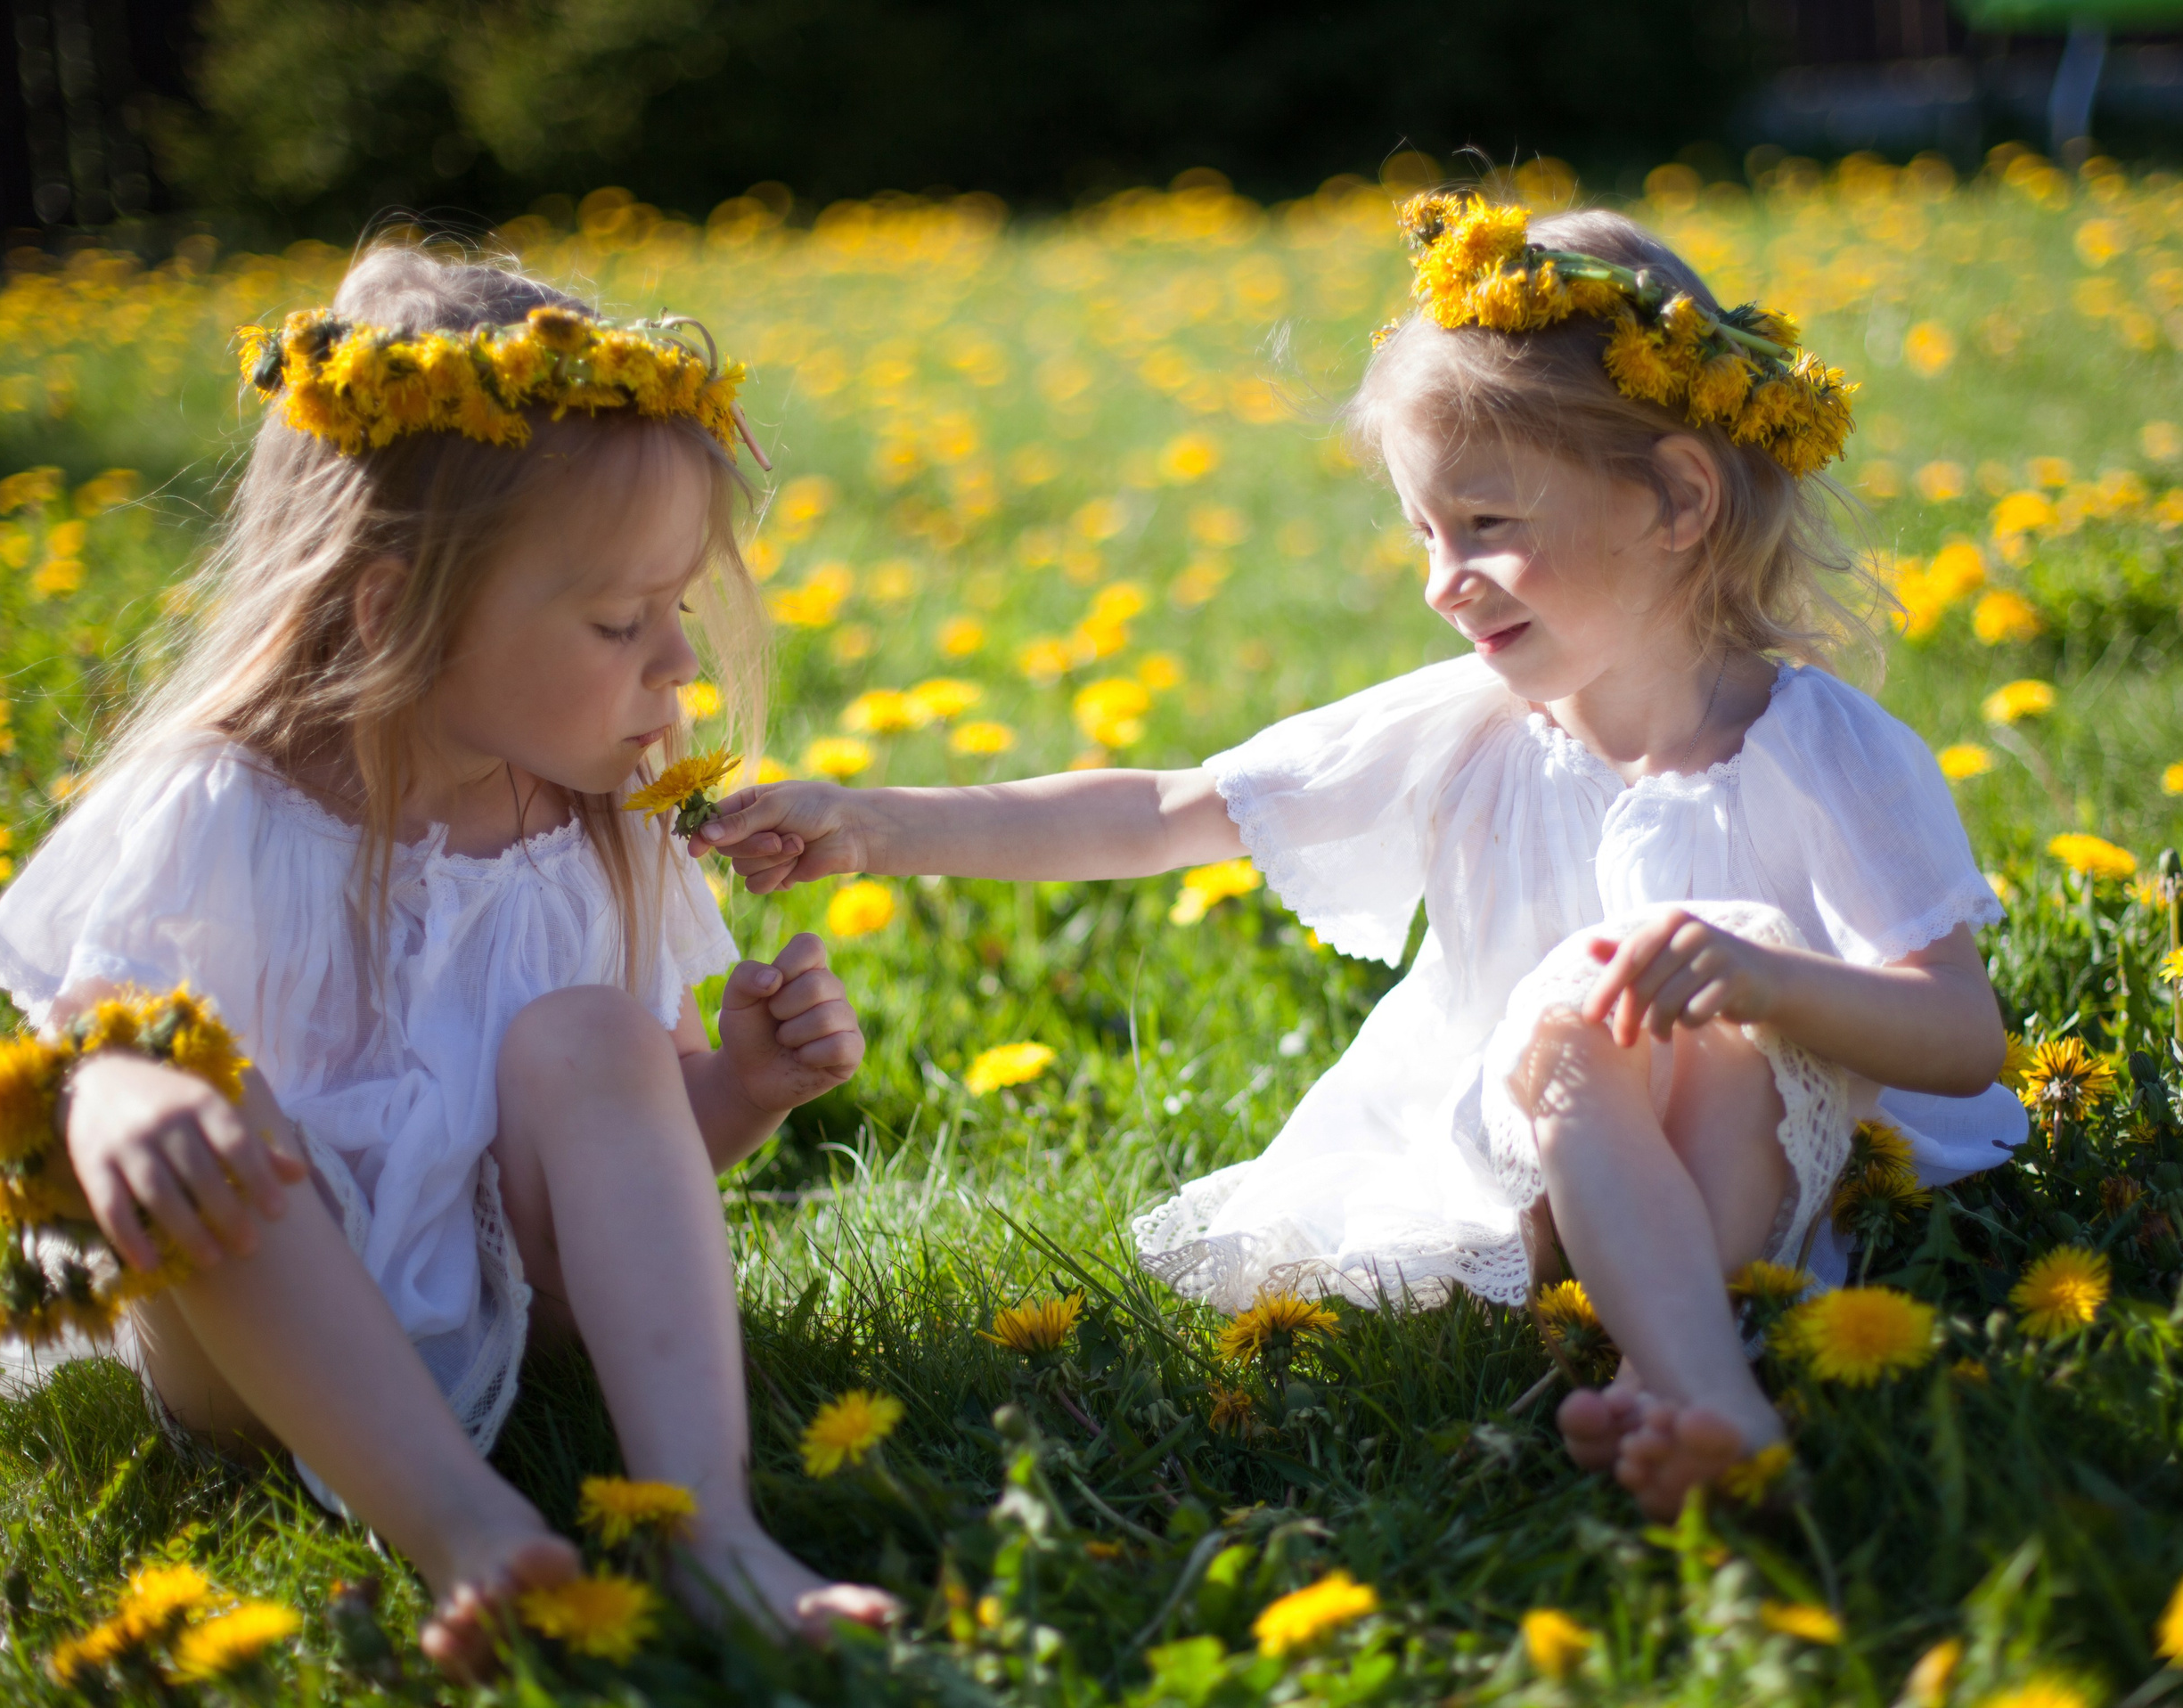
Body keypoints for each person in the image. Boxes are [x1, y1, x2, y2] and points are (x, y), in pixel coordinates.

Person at [695, 199, 2021, 1518]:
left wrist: (1767, 981)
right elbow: (1165, 811)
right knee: (1576, 1024)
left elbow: (1962, 1038)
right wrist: (877, 824)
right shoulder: (1467, 729)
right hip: (1552, 1157)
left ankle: (1680, 1380)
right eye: (1425, 534)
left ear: (1678, 497)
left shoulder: (1821, 751)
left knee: (1668, 1011)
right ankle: (1696, 1386)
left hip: (1777, 1150)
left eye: (1487, 523)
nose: (1445, 580)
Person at [0, 249, 897, 1670]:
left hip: (519, 1309)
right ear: (392, 612)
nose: (678, 664)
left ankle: (711, 1526)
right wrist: (123, 1095)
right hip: (252, 1344)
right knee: (198, 1080)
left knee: (599, 1035)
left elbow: (638, 1143)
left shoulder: (603, 831)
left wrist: (741, 1088)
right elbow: (77, 1058)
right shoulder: (224, 806)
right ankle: (465, 1528)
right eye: (619, 621)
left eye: (678, 607)